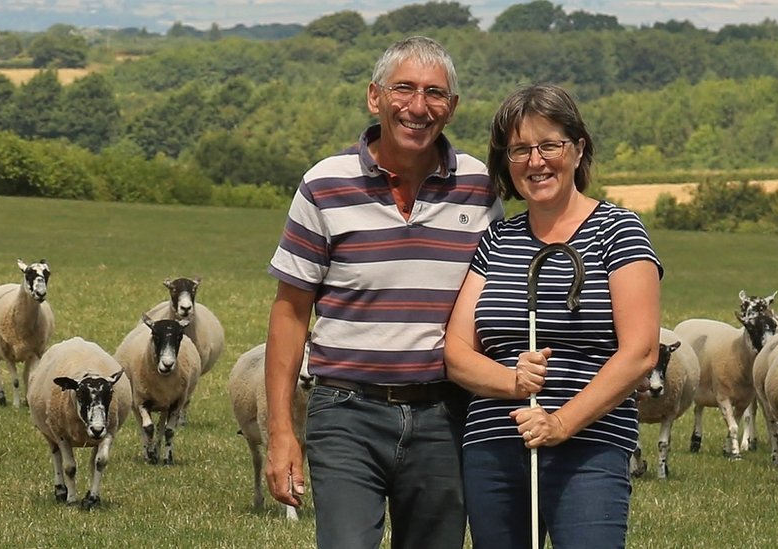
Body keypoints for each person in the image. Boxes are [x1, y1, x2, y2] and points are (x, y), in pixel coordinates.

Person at [262, 36, 503, 549]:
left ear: (452, 107)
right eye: (404, 89)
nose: (418, 107)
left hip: (445, 416)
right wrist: (282, 432)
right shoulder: (324, 185)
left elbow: (497, 296)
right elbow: (289, 315)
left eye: (435, 93)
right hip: (346, 413)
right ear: (375, 97)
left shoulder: (480, 188)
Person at [443, 83, 663, 549]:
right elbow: (457, 354)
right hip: (494, 448)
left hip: (591, 447)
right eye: (519, 150)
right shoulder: (496, 240)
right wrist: (512, 383)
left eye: (550, 145)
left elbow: (641, 351)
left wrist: (561, 423)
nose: (535, 162)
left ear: (578, 149)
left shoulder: (617, 229)